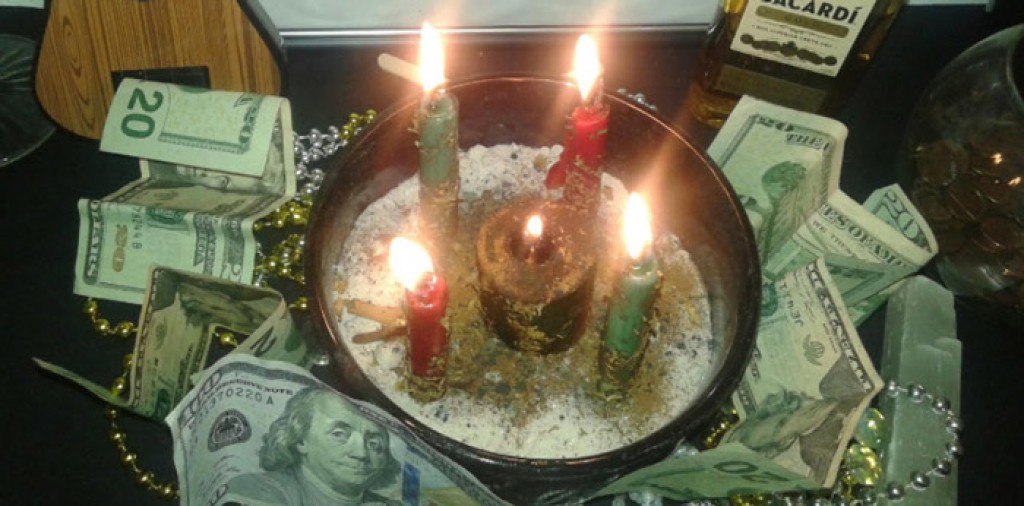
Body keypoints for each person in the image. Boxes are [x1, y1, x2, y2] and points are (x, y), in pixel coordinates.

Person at [225, 387, 402, 506]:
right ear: (301, 440)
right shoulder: (258, 489)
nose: (361, 453)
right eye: (339, 434)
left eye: (374, 443)